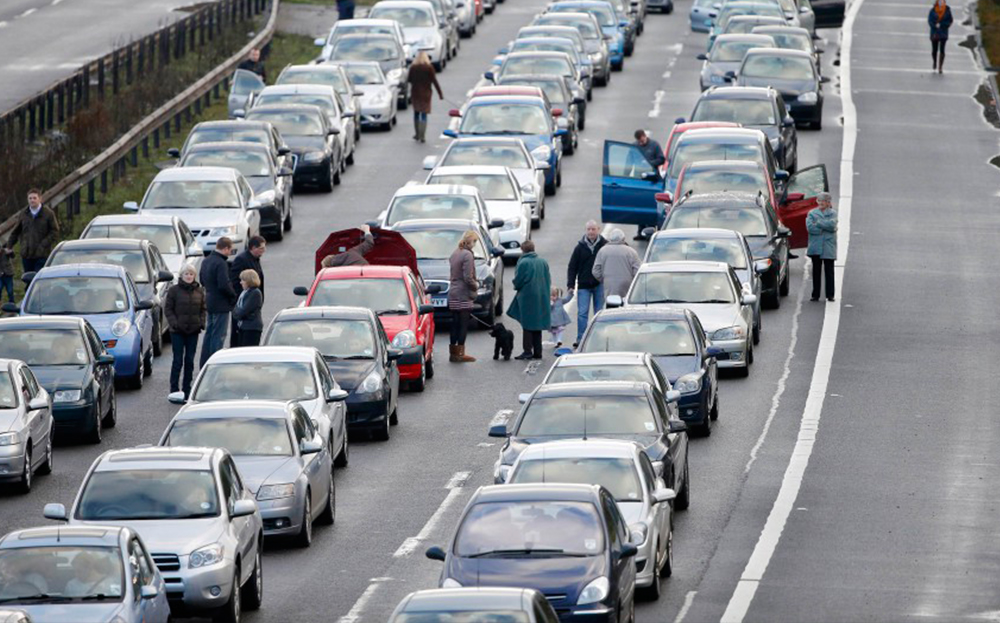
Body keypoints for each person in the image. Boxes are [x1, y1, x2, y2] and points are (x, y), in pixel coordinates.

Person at [164, 264, 206, 399]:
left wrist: (201, 323)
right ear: (181, 275)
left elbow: (203, 309)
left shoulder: (199, 291)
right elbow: (168, 309)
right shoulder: (173, 291)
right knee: (177, 360)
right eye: (186, 274)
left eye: (191, 274)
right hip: (177, 331)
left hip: (193, 331)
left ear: (194, 276)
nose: (189, 276)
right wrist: (175, 324)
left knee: (189, 361)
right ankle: (174, 389)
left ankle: (187, 389)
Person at [507, 241, 552, 360]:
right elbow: (548, 278)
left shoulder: (523, 262)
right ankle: (538, 351)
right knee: (537, 323)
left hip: (527, 296)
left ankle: (527, 351)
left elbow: (518, 280)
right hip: (542, 295)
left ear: (523, 250)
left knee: (527, 324)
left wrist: (516, 286)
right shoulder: (543, 262)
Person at [566, 220, 606, 347]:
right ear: (586, 230)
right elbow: (572, 267)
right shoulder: (579, 248)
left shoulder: (605, 246)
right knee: (582, 313)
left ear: (598, 229)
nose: (591, 232)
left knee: (599, 312)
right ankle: (581, 339)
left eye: (593, 229)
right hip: (583, 285)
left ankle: (598, 338)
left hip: (599, 284)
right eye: (588, 229)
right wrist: (571, 285)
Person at [199, 237, 238, 366]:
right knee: (219, 335)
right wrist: (233, 295)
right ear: (225, 248)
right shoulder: (221, 263)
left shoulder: (206, 260)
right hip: (221, 303)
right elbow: (223, 284)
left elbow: (202, 280)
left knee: (209, 334)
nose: (230, 252)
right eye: (230, 250)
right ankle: (216, 365)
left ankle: (204, 363)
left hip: (209, 301)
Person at [5, 189, 60, 274]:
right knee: (28, 279)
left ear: (40, 199)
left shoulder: (48, 213)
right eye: (30, 198)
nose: (32, 200)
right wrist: (9, 246)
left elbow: (54, 232)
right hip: (26, 254)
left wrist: (43, 244)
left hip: (42, 254)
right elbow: (16, 231)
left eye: (34, 198)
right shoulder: (24, 214)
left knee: (38, 277)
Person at [229, 235, 266, 347]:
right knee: (239, 341)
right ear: (253, 248)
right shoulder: (242, 259)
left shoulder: (255, 259)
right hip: (243, 305)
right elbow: (234, 281)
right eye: (261, 248)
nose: (263, 251)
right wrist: (241, 301)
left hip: (251, 307)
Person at [448, 231, 479, 362]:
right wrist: (475, 286)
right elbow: (468, 277)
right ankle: (460, 354)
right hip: (463, 293)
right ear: (470, 241)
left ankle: (453, 353)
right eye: (475, 242)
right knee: (463, 324)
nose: (475, 244)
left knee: (455, 323)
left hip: (454, 291)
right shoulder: (467, 255)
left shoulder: (455, 252)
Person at [806, 191, 838, 302]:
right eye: (819, 200)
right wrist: (826, 226)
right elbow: (810, 228)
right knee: (816, 271)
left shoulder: (833, 213)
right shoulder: (812, 213)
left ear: (828, 202)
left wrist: (818, 223)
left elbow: (833, 225)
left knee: (829, 271)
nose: (820, 203)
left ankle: (830, 295)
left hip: (828, 245)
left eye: (823, 201)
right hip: (815, 246)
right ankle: (815, 294)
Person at [406, 51, 444, 143]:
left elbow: (409, 79)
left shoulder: (413, 67)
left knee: (416, 113)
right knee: (424, 114)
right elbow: (434, 81)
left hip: (415, 93)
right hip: (426, 94)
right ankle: (422, 136)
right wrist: (440, 94)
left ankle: (417, 134)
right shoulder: (429, 68)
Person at [592, 228, 641, 299]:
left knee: (611, 305)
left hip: (609, 285)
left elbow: (595, 271)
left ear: (610, 239)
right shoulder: (631, 252)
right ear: (623, 239)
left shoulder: (603, 251)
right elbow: (637, 270)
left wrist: (604, 279)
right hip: (627, 285)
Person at [233, 269, 264, 347]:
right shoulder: (244, 293)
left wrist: (237, 313)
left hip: (251, 327)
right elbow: (235, 309)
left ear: (249, 281)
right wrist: (237, 312)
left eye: (243, 280)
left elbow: (244, 311)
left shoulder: (255, 293)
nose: (241, 282)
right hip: (243, 326)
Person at [928, 0, 952, 73]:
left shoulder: (947, 11)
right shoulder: (932, 10)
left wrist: (943, 25)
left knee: (942, 49)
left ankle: (940, 67)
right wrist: (934, 26)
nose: (941, 3)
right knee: (934, 50)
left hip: (943, 32)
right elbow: (930, 20)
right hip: (934, 32)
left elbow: (950, 20)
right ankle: (935, 61)